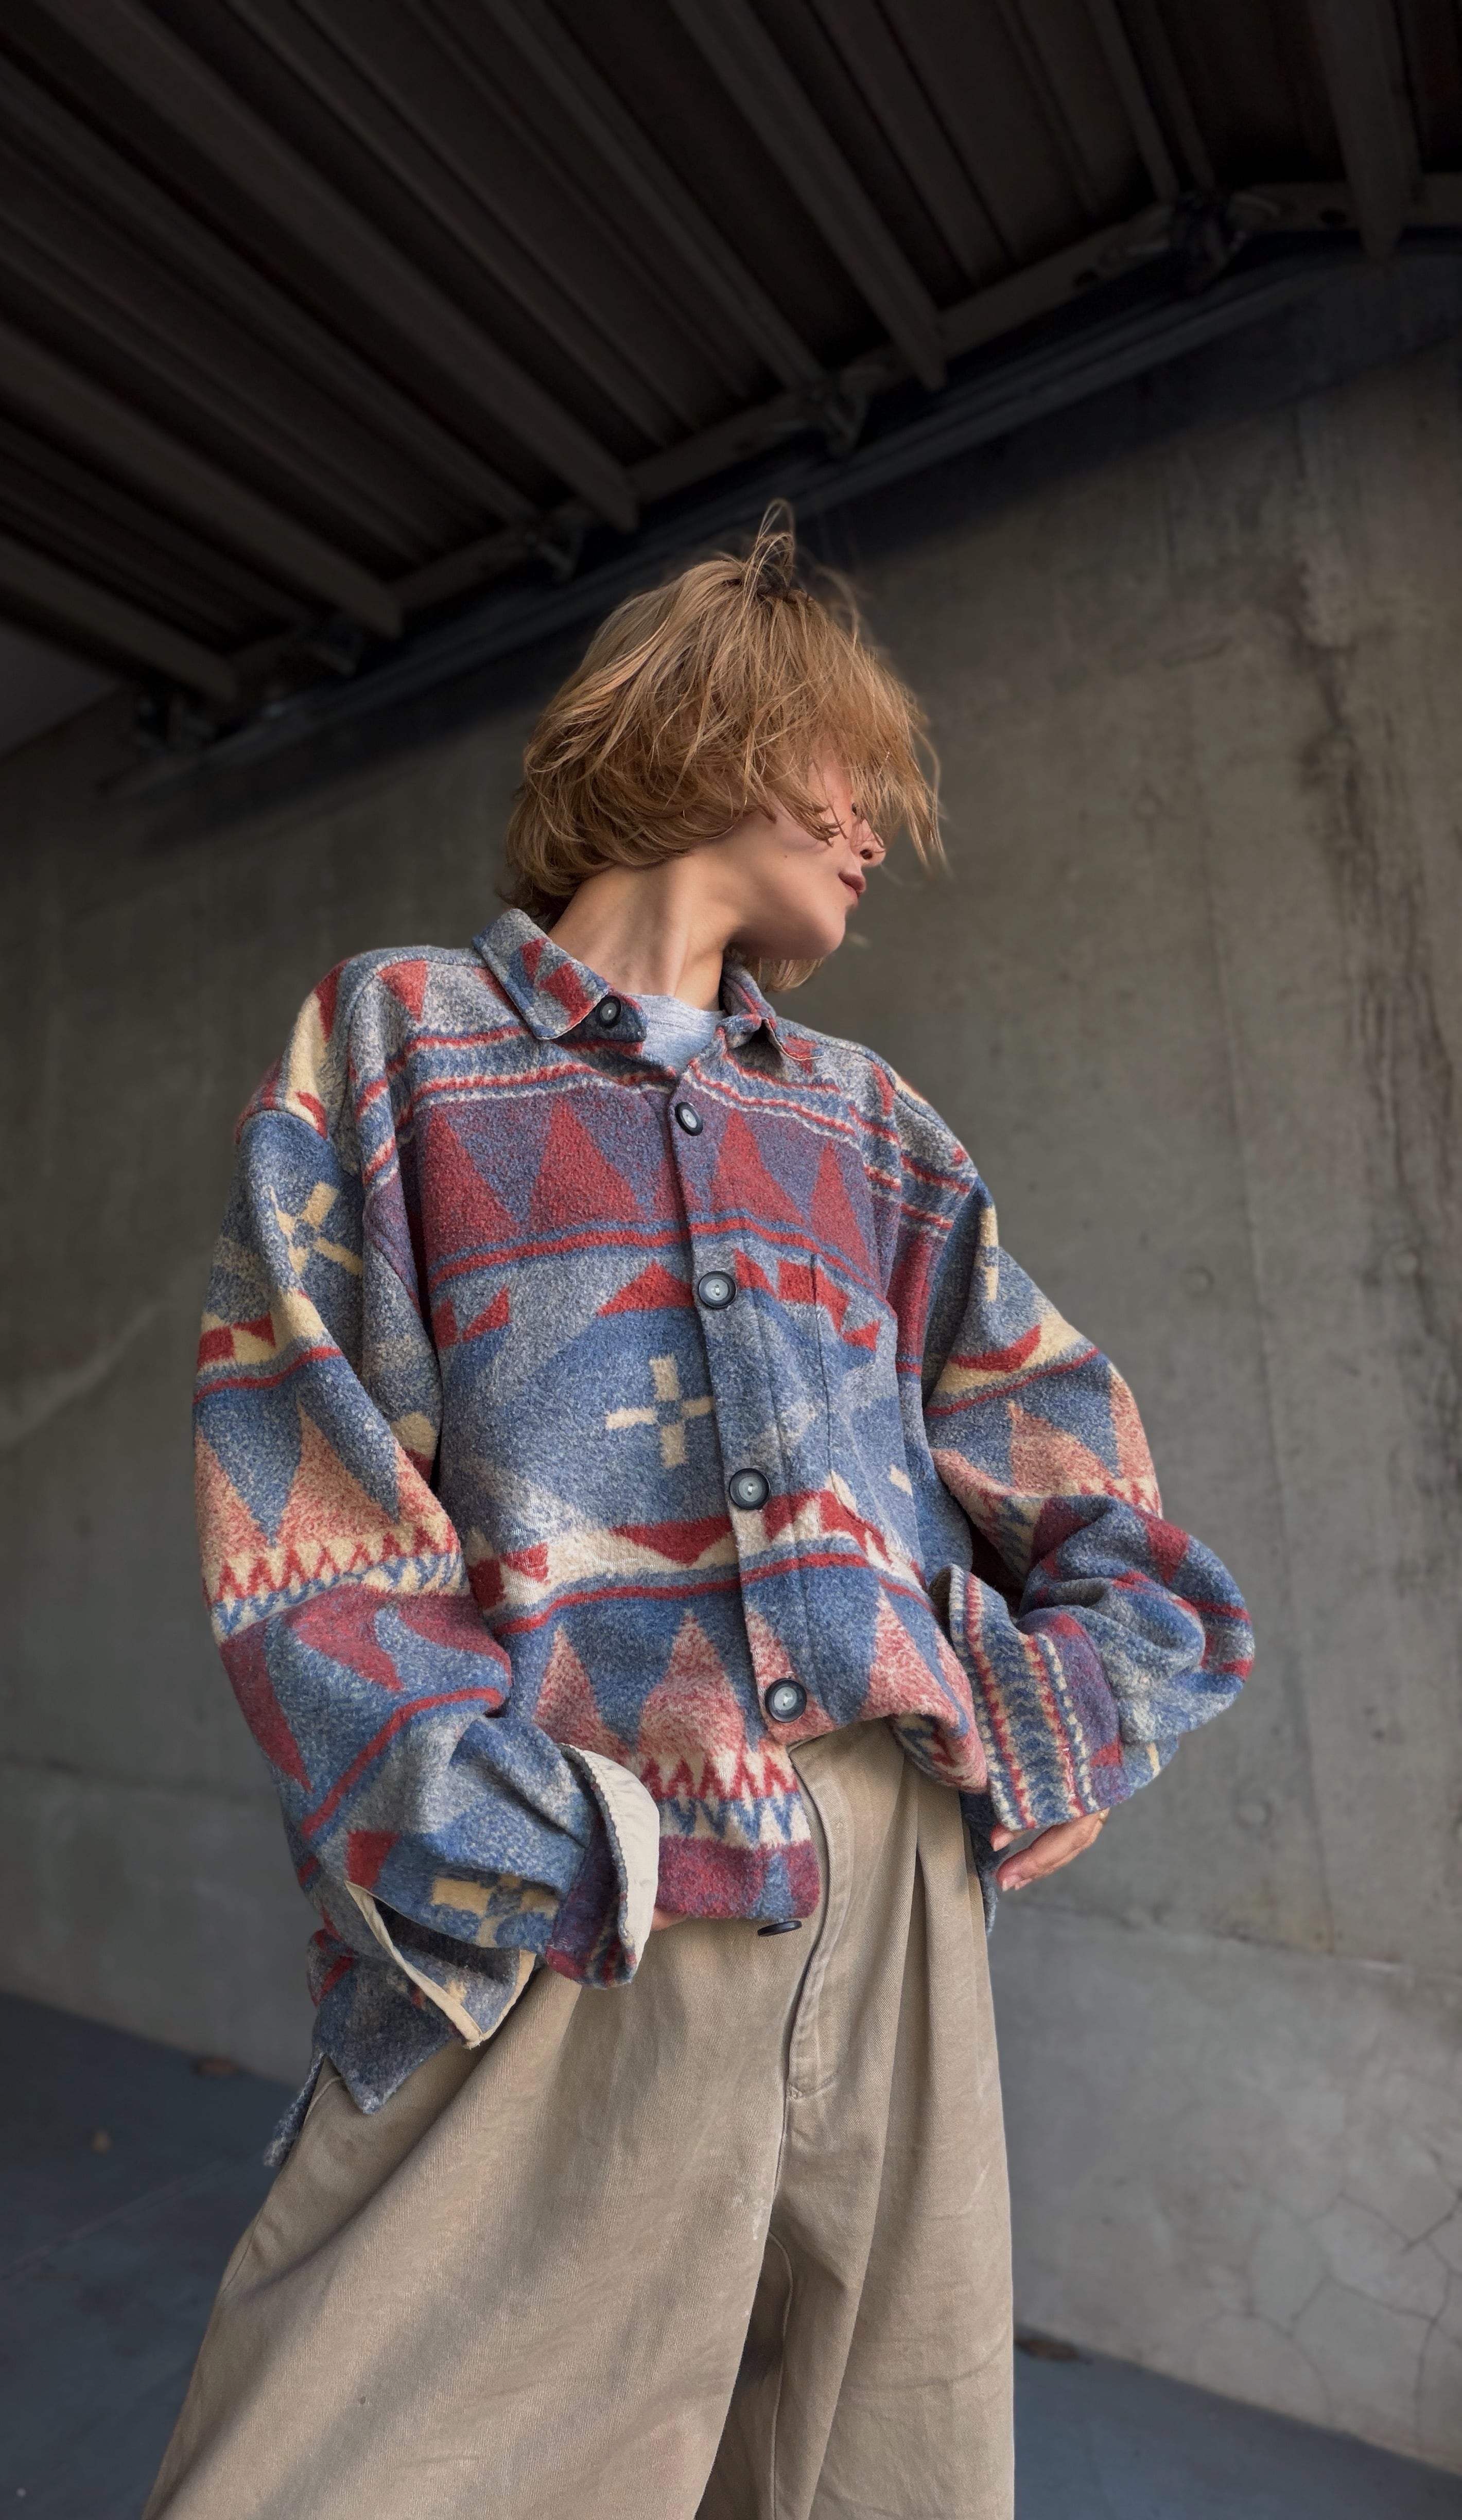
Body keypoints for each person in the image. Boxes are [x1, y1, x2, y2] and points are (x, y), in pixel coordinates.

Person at [146, 510, 1250, 2520]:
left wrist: (1066, 1715)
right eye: (854, 775)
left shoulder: (871, 1127)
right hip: (588, 1887)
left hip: (894, 1894)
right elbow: (302, 1483)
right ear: (726, 732)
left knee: (869, 2473)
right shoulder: (396, 1043)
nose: (876, 834)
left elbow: (1071, 1454)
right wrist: (514, 1837)